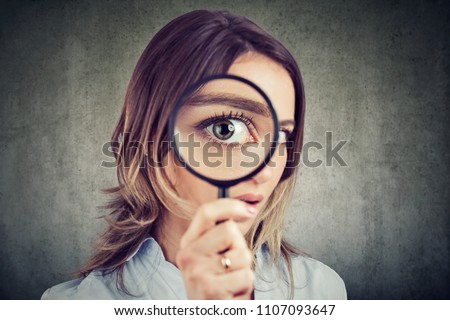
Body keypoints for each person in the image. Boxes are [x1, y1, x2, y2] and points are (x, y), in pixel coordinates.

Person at [42, 10, 346, 300]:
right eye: (226, 129)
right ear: (152, 141)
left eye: (281, 137)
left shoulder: (320, 291)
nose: (266, 170)